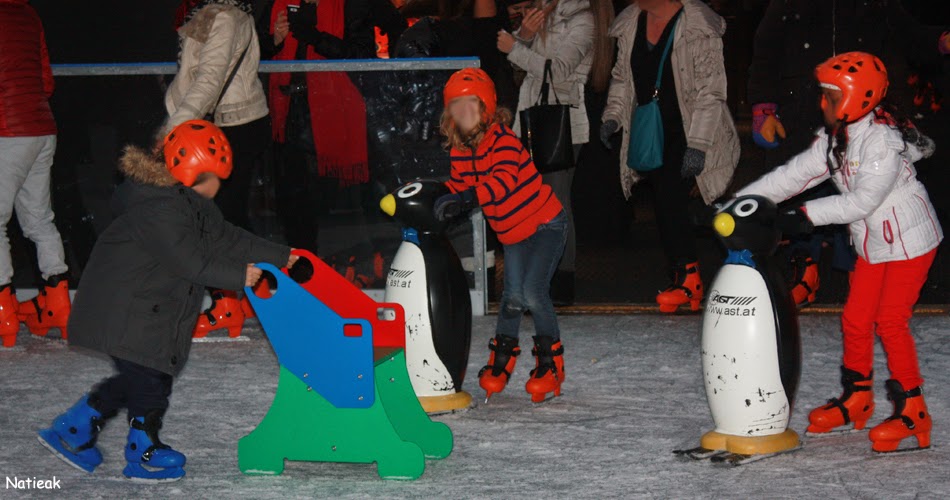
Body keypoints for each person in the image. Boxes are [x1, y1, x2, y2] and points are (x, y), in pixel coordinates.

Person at [37, 120, 295, 482]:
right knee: (148, 383)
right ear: (189, 173)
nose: (218, 188)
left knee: (142, 380)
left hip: (148, 313)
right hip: (125, 313)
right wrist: (240, 276)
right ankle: (140, 450)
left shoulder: (191, 204)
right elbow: (188, 261)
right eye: (213, 179)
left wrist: (281, 256)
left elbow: (228, 238)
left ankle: (75, 428)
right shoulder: (157, 208)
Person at [736, 52, 942, 453]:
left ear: (857, 98)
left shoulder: (881, 141)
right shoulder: (839, 135)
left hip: (909, 241)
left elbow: (861, 202)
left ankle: (914, 410)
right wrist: (743, 202)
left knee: (890, 322)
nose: (823, 103)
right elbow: (795, 174)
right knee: (855, 319)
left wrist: (803, 216)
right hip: (875, 242)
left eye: (831, 96)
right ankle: (857, 398)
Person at [747, 0, 947, 307]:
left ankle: (863, 267)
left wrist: (939, 41)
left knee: (857, 192)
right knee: (799, 187)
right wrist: (763, 107)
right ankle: (804, 265)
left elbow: (908, 33)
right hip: (802, 108)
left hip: (860, 108)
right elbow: (766, 49)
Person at [435, 68, 567, 403]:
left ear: (486, 107)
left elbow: (502, 181)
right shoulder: (460, 150)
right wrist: (434, 196)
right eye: (456, 106)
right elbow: (459, 187)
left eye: (471, 104)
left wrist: (467, 198)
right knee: (511, 298)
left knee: (533, 292)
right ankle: (502, 358)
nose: (464, 112)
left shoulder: (503, 141)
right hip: (513, 233)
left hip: (546, 224)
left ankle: (551, 364)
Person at [601, 0, 739, 313]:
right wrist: (613, 117)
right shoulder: (631, 23)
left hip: (689, 129)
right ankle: (684, 278)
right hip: (652, 131)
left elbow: (711, 91)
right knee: (665, 205)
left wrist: (698, 145)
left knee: (677, 202)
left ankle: (697, 277)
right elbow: (622, 79)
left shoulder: (698, 26)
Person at [498, 0, 614, 306]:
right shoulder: (547, 13)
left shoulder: (585, 20)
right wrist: (524, 37)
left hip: (561, 123)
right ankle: (541, 281)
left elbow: (559, 71)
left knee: (555, 205)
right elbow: (521, 69)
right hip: (532, 119)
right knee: (532, 203)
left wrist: (515, 47)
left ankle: (561, 280)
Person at [0, 0, 71, 347]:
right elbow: (45, 80)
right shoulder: (27, 12)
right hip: (41, 126)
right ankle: (59, 304)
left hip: (8, 129)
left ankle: (3, 311)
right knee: (40, 220)